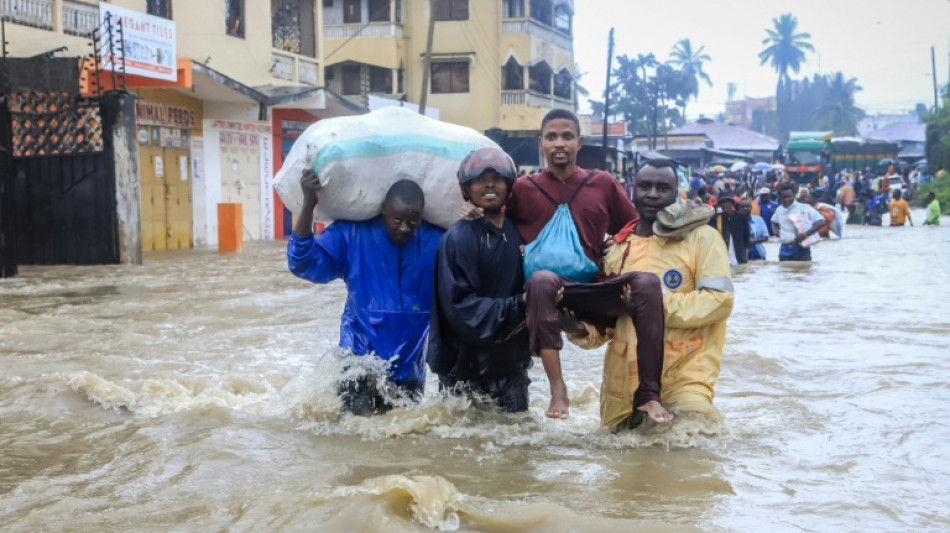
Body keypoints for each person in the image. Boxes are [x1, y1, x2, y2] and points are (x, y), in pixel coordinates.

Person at [475, 108, 670, 423]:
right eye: (551, 137)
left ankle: (648, 393)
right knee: (541, 280)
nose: (559, 143)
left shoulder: (603, 183)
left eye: (567, 136)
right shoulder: (523, 188)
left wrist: (613, 245)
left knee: (647, 284)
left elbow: (633, 226)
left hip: (592, 289)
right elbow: (497, 223)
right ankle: (558, 390)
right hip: (548, 294)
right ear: (541, 143)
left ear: (580, 142)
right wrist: (473, 212)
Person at [565, 160, 733, 428]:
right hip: (621, 386)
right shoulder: (617, 248)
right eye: (645, 186)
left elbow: (719, 301)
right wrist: (582, 330)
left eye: (662, 188)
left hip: (684, 377)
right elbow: (609, 322)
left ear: (676, 193)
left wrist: (653, 304)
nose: (652, 194)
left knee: (690, 438)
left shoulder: (703, 238)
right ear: (632, 190)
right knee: (620, 453)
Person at [287, 172, 443, 416]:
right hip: (357, 361)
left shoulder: (438, 242)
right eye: (397, 220)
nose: (404, 228)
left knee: (406, 435)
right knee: (355, 432)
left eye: (413, 222)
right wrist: (309, 204)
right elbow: (302, 262)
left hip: (409, 369)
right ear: (383, 210)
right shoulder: (352, 235)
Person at [428, 147, 532, 413]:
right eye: (479, 180)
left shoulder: (520, 233)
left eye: (497, 179)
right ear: (465, 189)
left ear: (509, 186)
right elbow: (462, 309)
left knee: (518, 436)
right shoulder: (458, 239)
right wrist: (521, 304)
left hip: (511, 369)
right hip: (463, 370)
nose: (489, 185)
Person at [772, 185, 826, 261]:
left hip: (802, 247)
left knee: (803, 268)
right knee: (783, 268)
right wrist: (775, 231)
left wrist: (805, 235)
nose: (786, 199)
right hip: (784, 249)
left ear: (794, 195)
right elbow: (773, 221)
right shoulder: (779, 210)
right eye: (784, 197)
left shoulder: (804, 207)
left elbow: (821, 221)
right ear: (780, 197)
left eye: (789, 197)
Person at [708, 189, 750, 265]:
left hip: (739, 259)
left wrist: (745, 257)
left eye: (727, 201)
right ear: (720, 205)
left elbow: (746, 239)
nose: (725, 204)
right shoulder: (715, 220)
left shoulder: (741, 218)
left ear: (732, 203)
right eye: (722, 202)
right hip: (722, 261)